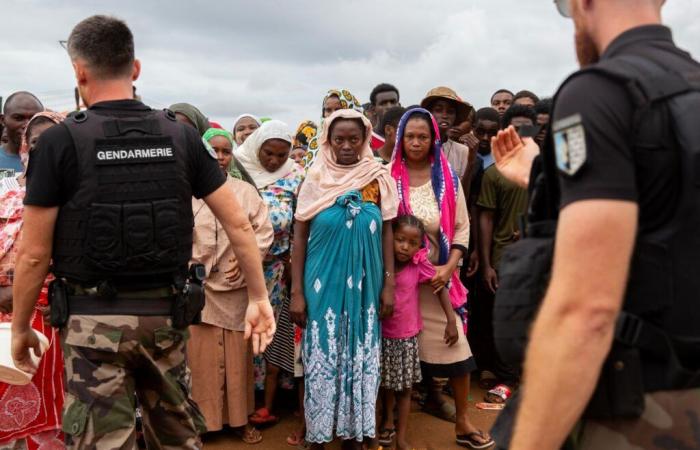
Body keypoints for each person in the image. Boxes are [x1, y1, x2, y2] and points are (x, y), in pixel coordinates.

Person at [10, 15, 276, 449]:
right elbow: (237, 223)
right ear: (135, 68)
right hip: (165, 319)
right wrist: (260, 298)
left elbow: (34, 255)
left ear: (78, 71)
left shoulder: (59, 143)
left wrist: (21, 328)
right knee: (175, 436)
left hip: (91, 323)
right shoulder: (181, 136)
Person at [490, 0, 700, 449]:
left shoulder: (599, 92)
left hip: (637, 410)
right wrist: (539, 178)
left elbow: (586, 311)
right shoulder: (690, 88)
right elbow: (667, 214)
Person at [290, 108, 398, 449]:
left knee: (360, 353)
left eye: (354, 139)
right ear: (328, 140)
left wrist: (389, 284)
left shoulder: (378, 178)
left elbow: (387, 234)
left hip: (367, 284)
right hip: (321, 282)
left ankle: (353, 433)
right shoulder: (315, 178)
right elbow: (299, 236)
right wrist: (296, 292)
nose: (347, 146)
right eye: (340, 139)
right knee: (324, 352)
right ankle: (319, 435)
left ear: (365, 139)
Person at [391, 108, 493, 449]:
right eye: (410, 136)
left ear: (433, 139)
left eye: (423, 136)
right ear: (400, 139)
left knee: (458, 354)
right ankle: (389, 424)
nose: (416, 143)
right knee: (392, 356)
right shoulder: (388, 177)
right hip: (400, 283)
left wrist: (449, 267)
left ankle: (463, 424)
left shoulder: (446, 178)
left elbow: (462, 225)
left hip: (437, 283)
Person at [188, 127, 273, 445]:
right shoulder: (187, 191)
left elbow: (262, 230)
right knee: (201, 361)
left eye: (226, 151)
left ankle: (238, 421)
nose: (220, 157)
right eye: (213, 150)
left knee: (238, 361)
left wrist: (247, 259)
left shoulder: (245, 192)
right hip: (200, 291)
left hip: (238, 291)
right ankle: (203, 422)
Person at [0, 111, 66, 450]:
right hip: (2, 316)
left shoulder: (75, 197)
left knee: (52, 406)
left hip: (52, 316)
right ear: (26, 146)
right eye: (37, 141)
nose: (44, 149)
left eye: (54, 141)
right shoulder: (5, 193)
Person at [236, 120, 306, 431]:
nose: (274, 161)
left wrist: (291, 262)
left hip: (278, 269)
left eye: (281, 154)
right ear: (256, 147)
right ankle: (242, 399)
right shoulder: (237, 171)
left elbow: (300, 225)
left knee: (271, 333)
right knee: (242, 331)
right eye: (268, 153)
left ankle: (271, 400)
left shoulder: (295, 177)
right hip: (238, 271)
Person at [377, 215, 458, 450]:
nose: (404, 246)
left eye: (412, 243)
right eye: (400, 239)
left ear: (420, 246)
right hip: (380, 335)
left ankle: (401, 437)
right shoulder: (382, 263)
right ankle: (386, 423)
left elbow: (439, 287)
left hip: (405, 338)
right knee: (384, 385)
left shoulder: (418, 264)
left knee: (404, 389)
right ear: (391, 238)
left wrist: (451, 320)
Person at [475, 104, 534, 406]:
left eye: (528, 127)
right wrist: (486, 263)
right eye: (515, 127)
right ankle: (508, 379)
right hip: (504, 259)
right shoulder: (494, 173)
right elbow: (486, 218)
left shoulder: (549, 167)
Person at [170, 102, 257, 185]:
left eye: (188, 128)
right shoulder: (164, 157)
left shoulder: (229, 166)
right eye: (174, 127)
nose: (181, 133)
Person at [420, 87, 473, 183]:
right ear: (428, 114)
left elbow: (464, 194)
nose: (445, 115)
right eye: (438, 110)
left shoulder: (463, 151)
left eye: (450, 111)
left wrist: (471, 162)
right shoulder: (417, 145)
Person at [300, 89, 362, 170]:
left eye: (338, 109)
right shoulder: (315, 142)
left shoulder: (364, 141)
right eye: (328, 110)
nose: (333, 114)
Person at [0, 92, 43, 178]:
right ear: (3, 120)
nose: (27, 125)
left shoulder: (54, 159)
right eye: (18, 118)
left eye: (34, 118)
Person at [369, 83, 401, 151]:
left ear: (399, 105)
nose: (389, 107)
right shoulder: (366, 140)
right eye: (383, 103)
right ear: (373, 109)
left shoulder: (408, 137)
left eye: (393, 102)